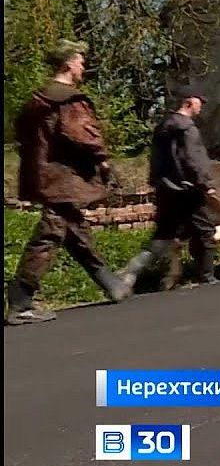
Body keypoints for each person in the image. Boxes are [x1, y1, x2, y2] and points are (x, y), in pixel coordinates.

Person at [6, 40, 131, 325]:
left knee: (75, 231)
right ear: (67, 64)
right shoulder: (69, 100)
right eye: (80, 61)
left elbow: (23, 137)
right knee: (50, 233)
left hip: (43, 174)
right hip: (62, 177)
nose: (83, 66)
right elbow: (82, 134)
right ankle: (20, 301)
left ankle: (111, 284)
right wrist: (102, 159)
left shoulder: (36, 100)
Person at [117, 85, 220, 289]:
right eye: (200, 102)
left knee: (163, 235)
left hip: (166, 190)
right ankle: (207, 277)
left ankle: (132, 269)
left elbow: (156, 159)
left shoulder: (162, 126)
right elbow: (193, 160)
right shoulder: (187, 129)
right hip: (188, 192)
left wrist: (157, 181)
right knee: (206, 231)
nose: (202, 107)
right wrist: (205, 184)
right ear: (189, 102)